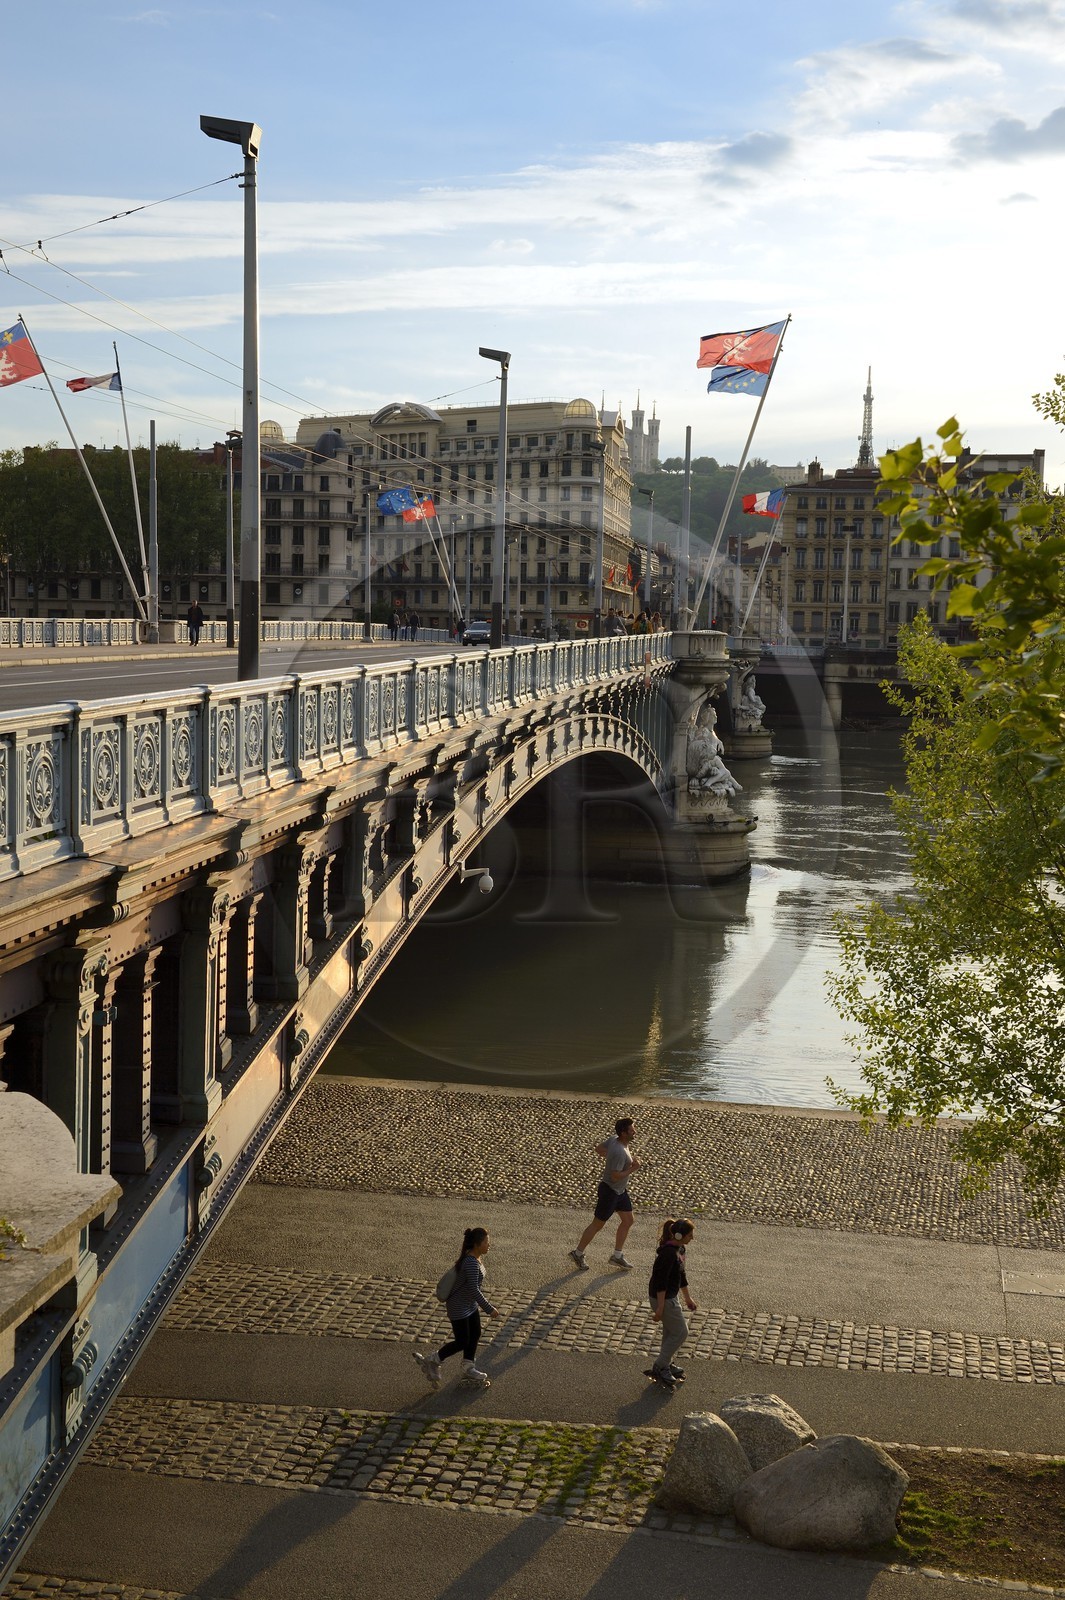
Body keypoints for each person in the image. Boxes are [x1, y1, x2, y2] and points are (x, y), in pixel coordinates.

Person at [413, 1226, 498, 1388]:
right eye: (486, 1242)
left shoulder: (474, 1257)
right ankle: (433, 1360)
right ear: (477, 1244)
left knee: (475, 1333)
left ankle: (468, 1366)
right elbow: (474, 1289)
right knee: (462, 1341)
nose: (489, 1245)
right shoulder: (471, 1262)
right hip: (458, 1307)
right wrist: (489, 1309)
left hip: (469, 1305)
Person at [569, 1117, 640, 1270]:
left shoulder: (614, 1139)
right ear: (623, 1133)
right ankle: (578, 1253)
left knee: (628, 1220)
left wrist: (611, 1157)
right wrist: (633, 1168)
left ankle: (617, 1256)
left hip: (620, 1191)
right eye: (632, 1130)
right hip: (610, 1192)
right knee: (597, 1225)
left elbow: (599, 1149)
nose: (635, 1131)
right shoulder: (619, 1152)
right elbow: (615, 1176)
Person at [645, 1217, 698, 1391]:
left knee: (670, 1331)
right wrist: (660, 1307)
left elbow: (681, 1275)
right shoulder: (667, 1254)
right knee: (681, 1332)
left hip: (670, 1297)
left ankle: (666, 1363)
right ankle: (660, 1366)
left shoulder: (680, 1249)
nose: (692, 1238)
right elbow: (661, 1283)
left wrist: (687, 1298)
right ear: (679, 1235)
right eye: (690, 1235)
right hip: (663, 1298)